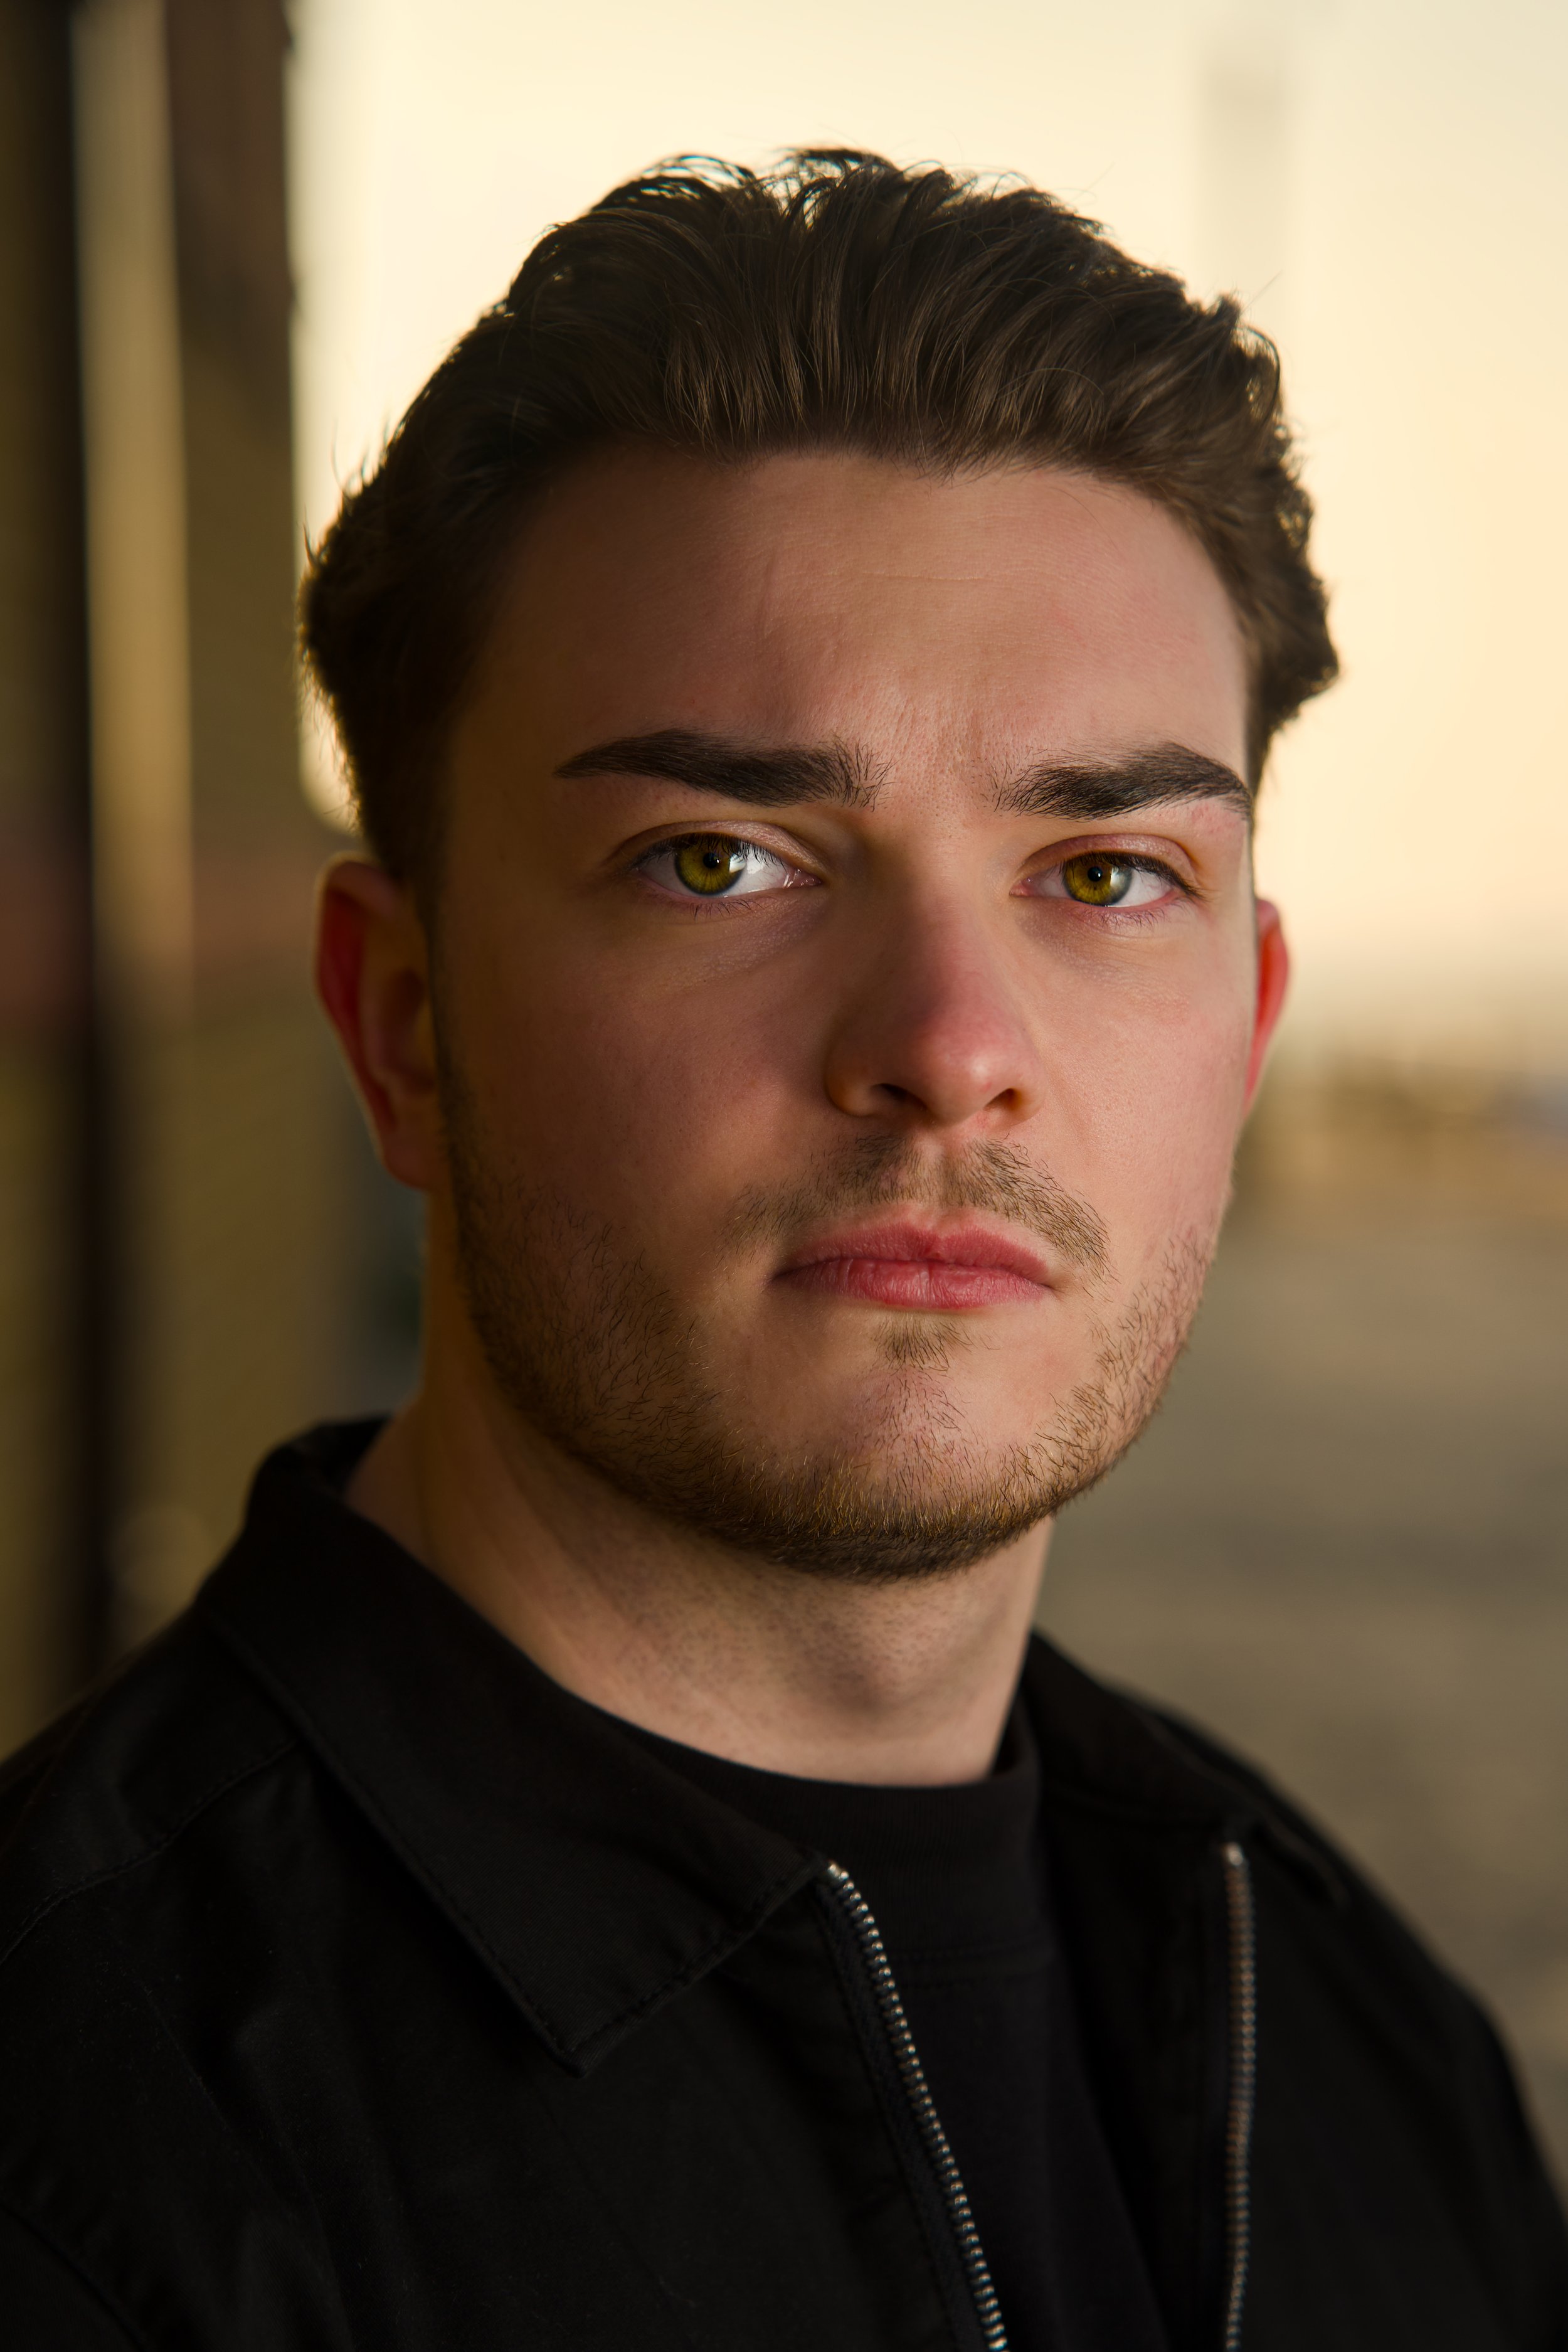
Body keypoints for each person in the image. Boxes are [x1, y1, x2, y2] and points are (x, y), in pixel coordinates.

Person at [1, 152, 1562, 2352]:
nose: (946, 1052)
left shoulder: (1346, 2026)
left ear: (1246, 1036)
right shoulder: (83, 2178)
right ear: (406, 1025)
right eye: (719, 861)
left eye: (1104, 873)